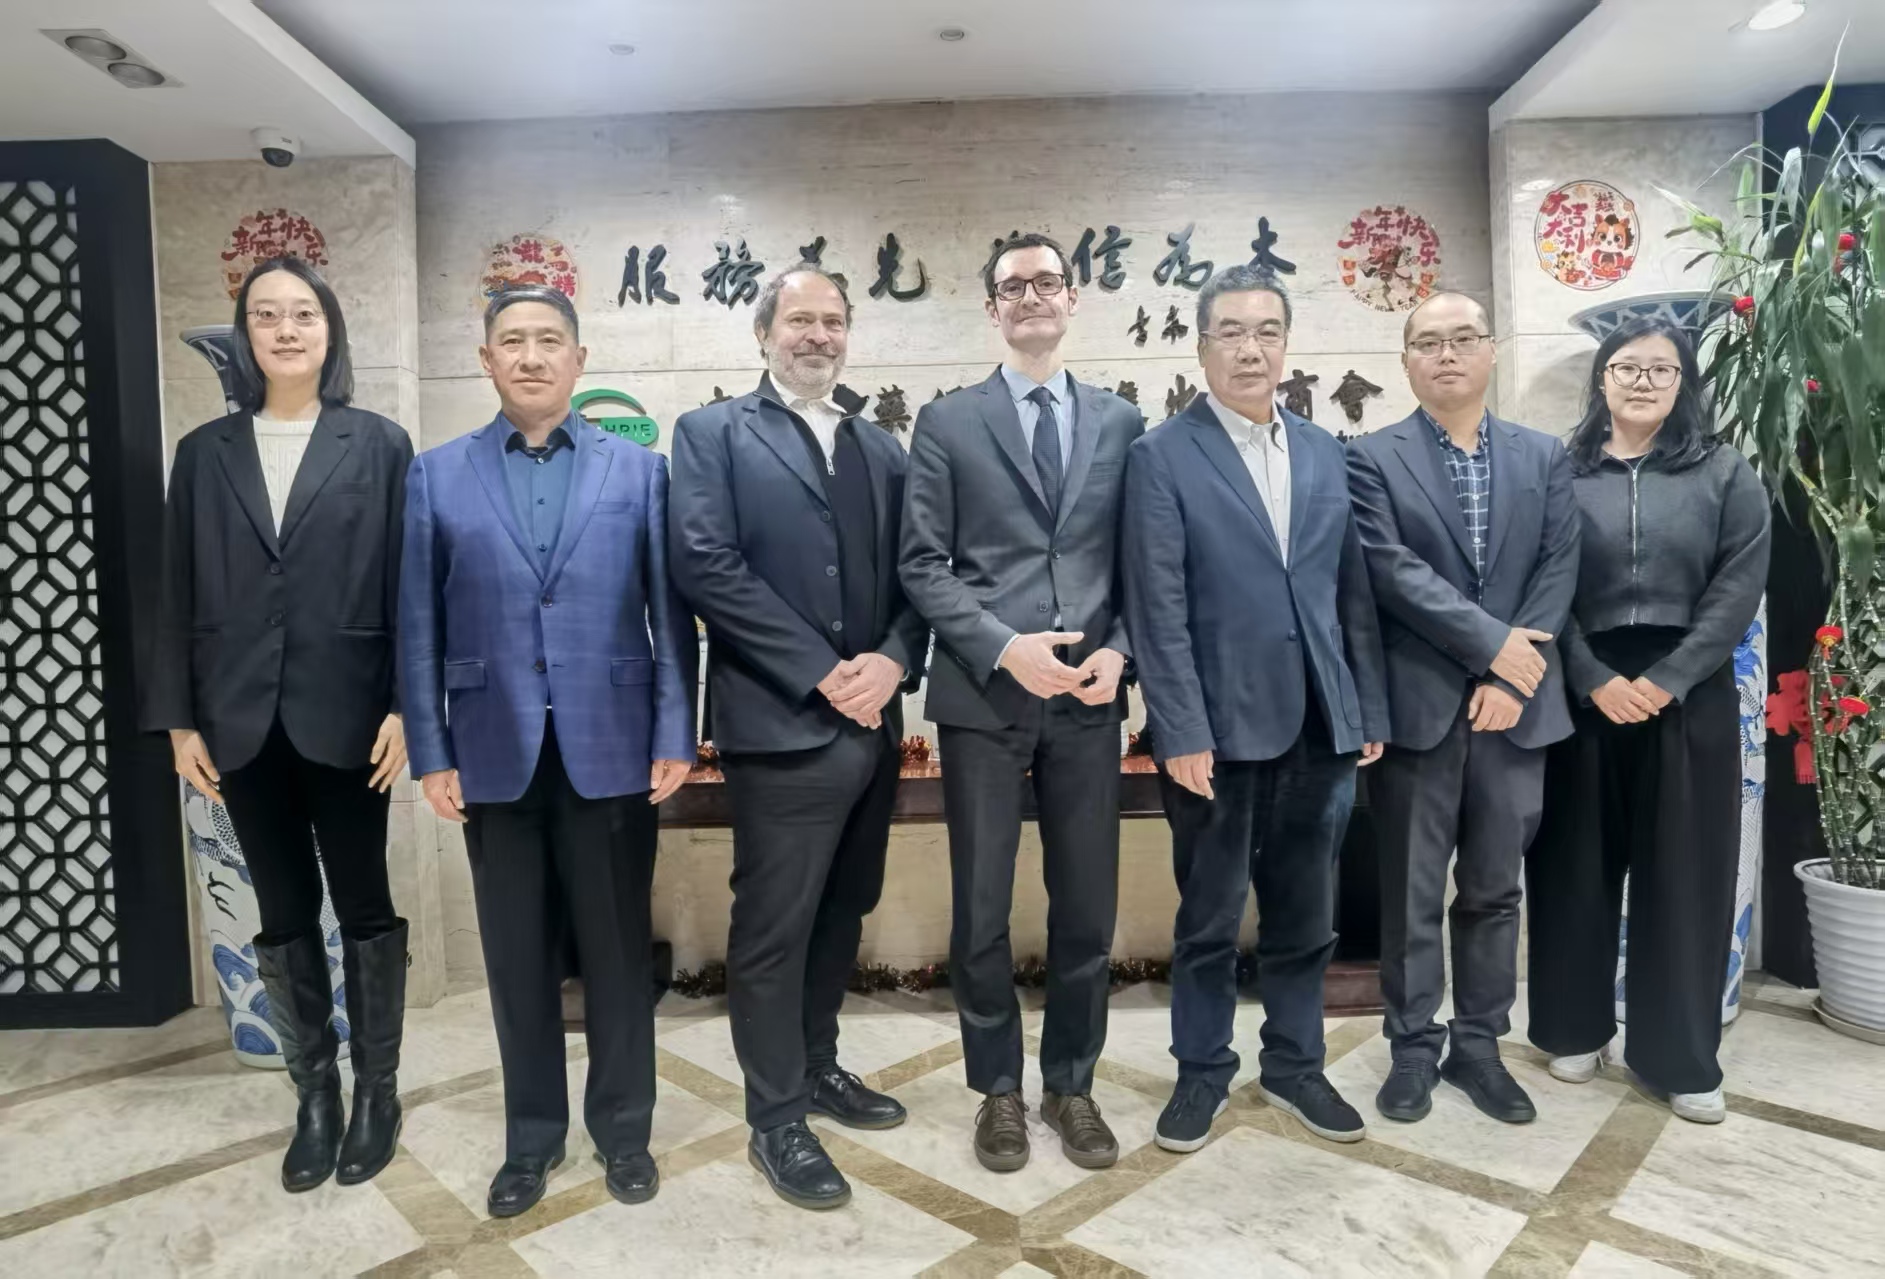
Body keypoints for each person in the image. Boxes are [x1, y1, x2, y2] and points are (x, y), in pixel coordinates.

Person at [399, 285, 696, 1216]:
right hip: (492, 749)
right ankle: (530, 1138)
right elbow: (417, 624)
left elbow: (669, 616)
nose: (530, 356)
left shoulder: (639, 472)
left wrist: (674, 731)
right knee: (516, 958)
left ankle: (624, 1131)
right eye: (512, 341)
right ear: (486, 360)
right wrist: (431, 749)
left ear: (578, 359)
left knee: (617, 951)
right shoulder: (435, 475)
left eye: (548, 341)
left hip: (613, 744)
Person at [145, 256, 413, 1194]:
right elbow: (175, 588)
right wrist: (179, 721)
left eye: (304, 313)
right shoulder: (204, 451)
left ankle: (378, 1092)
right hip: (238, 719)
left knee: (365, 903)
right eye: (267, 315)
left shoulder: (378, 444)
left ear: (330, 330)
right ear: (246, 333)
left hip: (350, 714)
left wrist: (405, 704)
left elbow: (408, 585)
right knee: (283, 910)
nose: (287, 329)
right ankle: (316, 1096)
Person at [669, 265, 926, 1210]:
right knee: (774, 926)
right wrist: (821, 670)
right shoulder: (711, 434)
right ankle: (774, 1116)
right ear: (763, 333)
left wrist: (892, 660)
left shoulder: (880, 447)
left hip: (874, 722)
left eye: (832, 321)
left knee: (842, 910)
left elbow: (917, 574)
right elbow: (705, 563)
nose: (816, 335)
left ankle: (816, 1066)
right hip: (779, 724)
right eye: (799, 320)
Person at [1123, 266, 1389, 1151]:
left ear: (1285, 345)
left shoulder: (1323, 450)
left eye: (1266, 331)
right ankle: (1200, 1071)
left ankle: (1294, 1065)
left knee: (1306, 915)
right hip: (1216, 731)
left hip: (1319, 721)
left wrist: (1364, 706)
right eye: (1231, 331)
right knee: (1207, 918)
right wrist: (1180, 727)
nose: (1250, 348)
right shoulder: (1161, 456)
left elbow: (1350, 591)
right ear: (1201, 347)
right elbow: (1156, 603)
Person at [900, 232, 1144, 1172]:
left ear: (1073, 297)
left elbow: (1143, 559)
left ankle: (1071, 1083)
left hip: (1087, 696)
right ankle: (997, 1087)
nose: (1032, 296)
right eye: (1013, 286)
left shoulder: (1121, 421)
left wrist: (1118, 650)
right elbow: (922, 562)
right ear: (991, 307)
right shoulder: (947, 421)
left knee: (1086, 905)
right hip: (983, 697)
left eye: (1047, 281)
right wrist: (1005, 647)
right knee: (981, 906)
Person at [1526, 318, 1769, 1125]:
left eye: (1660, 369)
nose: (1641, 381)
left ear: (1682, 383)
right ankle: (1572, 1027)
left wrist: (1665, 680)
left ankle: (1678, 1057)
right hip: (1583, 690)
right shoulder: (1560, 471)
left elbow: (1736, 589)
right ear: (1601, 379)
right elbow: (1542, 585)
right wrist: (1591, 676)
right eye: (1625, 367)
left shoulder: (1723, 471)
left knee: (1684, 876)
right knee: (1571, 865)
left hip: (1688, 693)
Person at [1346, 292, 1580, 1126]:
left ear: (1489, 351)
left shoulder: (1543, 455)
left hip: (1516, 710)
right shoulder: (1369, 458)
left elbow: (1558, 565)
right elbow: (1389, 569)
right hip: (1418, 711)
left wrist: (1512, 677)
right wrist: (1492, 647)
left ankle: (1478, 1046)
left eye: (1461, 339)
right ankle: (1412, 1047)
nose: (1445, 354)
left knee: (1493, 889)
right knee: (1410, 892)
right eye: (1427, 342)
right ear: (1405, 361)